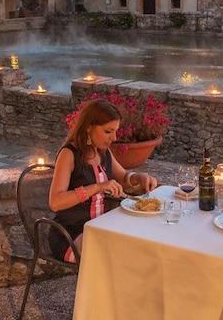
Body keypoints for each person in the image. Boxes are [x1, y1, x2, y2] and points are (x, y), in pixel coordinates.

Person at [47, 99, 159, 263]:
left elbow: (124, 177)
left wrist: (138, 178)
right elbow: (55, 202)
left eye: (115, 131)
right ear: (88, 127)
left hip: (102, 227)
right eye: (108, 131)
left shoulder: (103, 152)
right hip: (72, 234)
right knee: (116, 257)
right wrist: (97, 187)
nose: (114, 138)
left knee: (142, 243)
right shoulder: (69, 154)